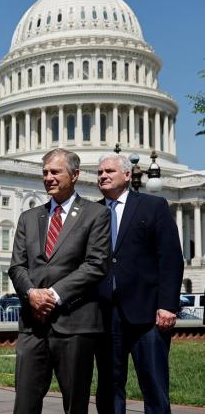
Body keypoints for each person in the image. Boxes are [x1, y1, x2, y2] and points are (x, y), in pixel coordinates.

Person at [8, 148, 111, 414]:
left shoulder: (96, 215)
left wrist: (52, 295)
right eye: (45, 173)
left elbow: (96, 264)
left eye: (55, 172)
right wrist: (31, 293)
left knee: (75, 404)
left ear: (75, 175)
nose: (48, 178)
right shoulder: (29, 218)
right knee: (25, 404)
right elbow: (17, 266)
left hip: (75, 323)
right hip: (33, 325)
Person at [94, 153, 183, 414]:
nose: (103, 176)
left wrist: (168, 305)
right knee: (109, 389)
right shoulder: (93, 212)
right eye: (99, 173)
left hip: (148, 315)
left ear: (127, 175)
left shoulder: (153, 206)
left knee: (154, 387)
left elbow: (170, 258)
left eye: (109, 171)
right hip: (106, 314)